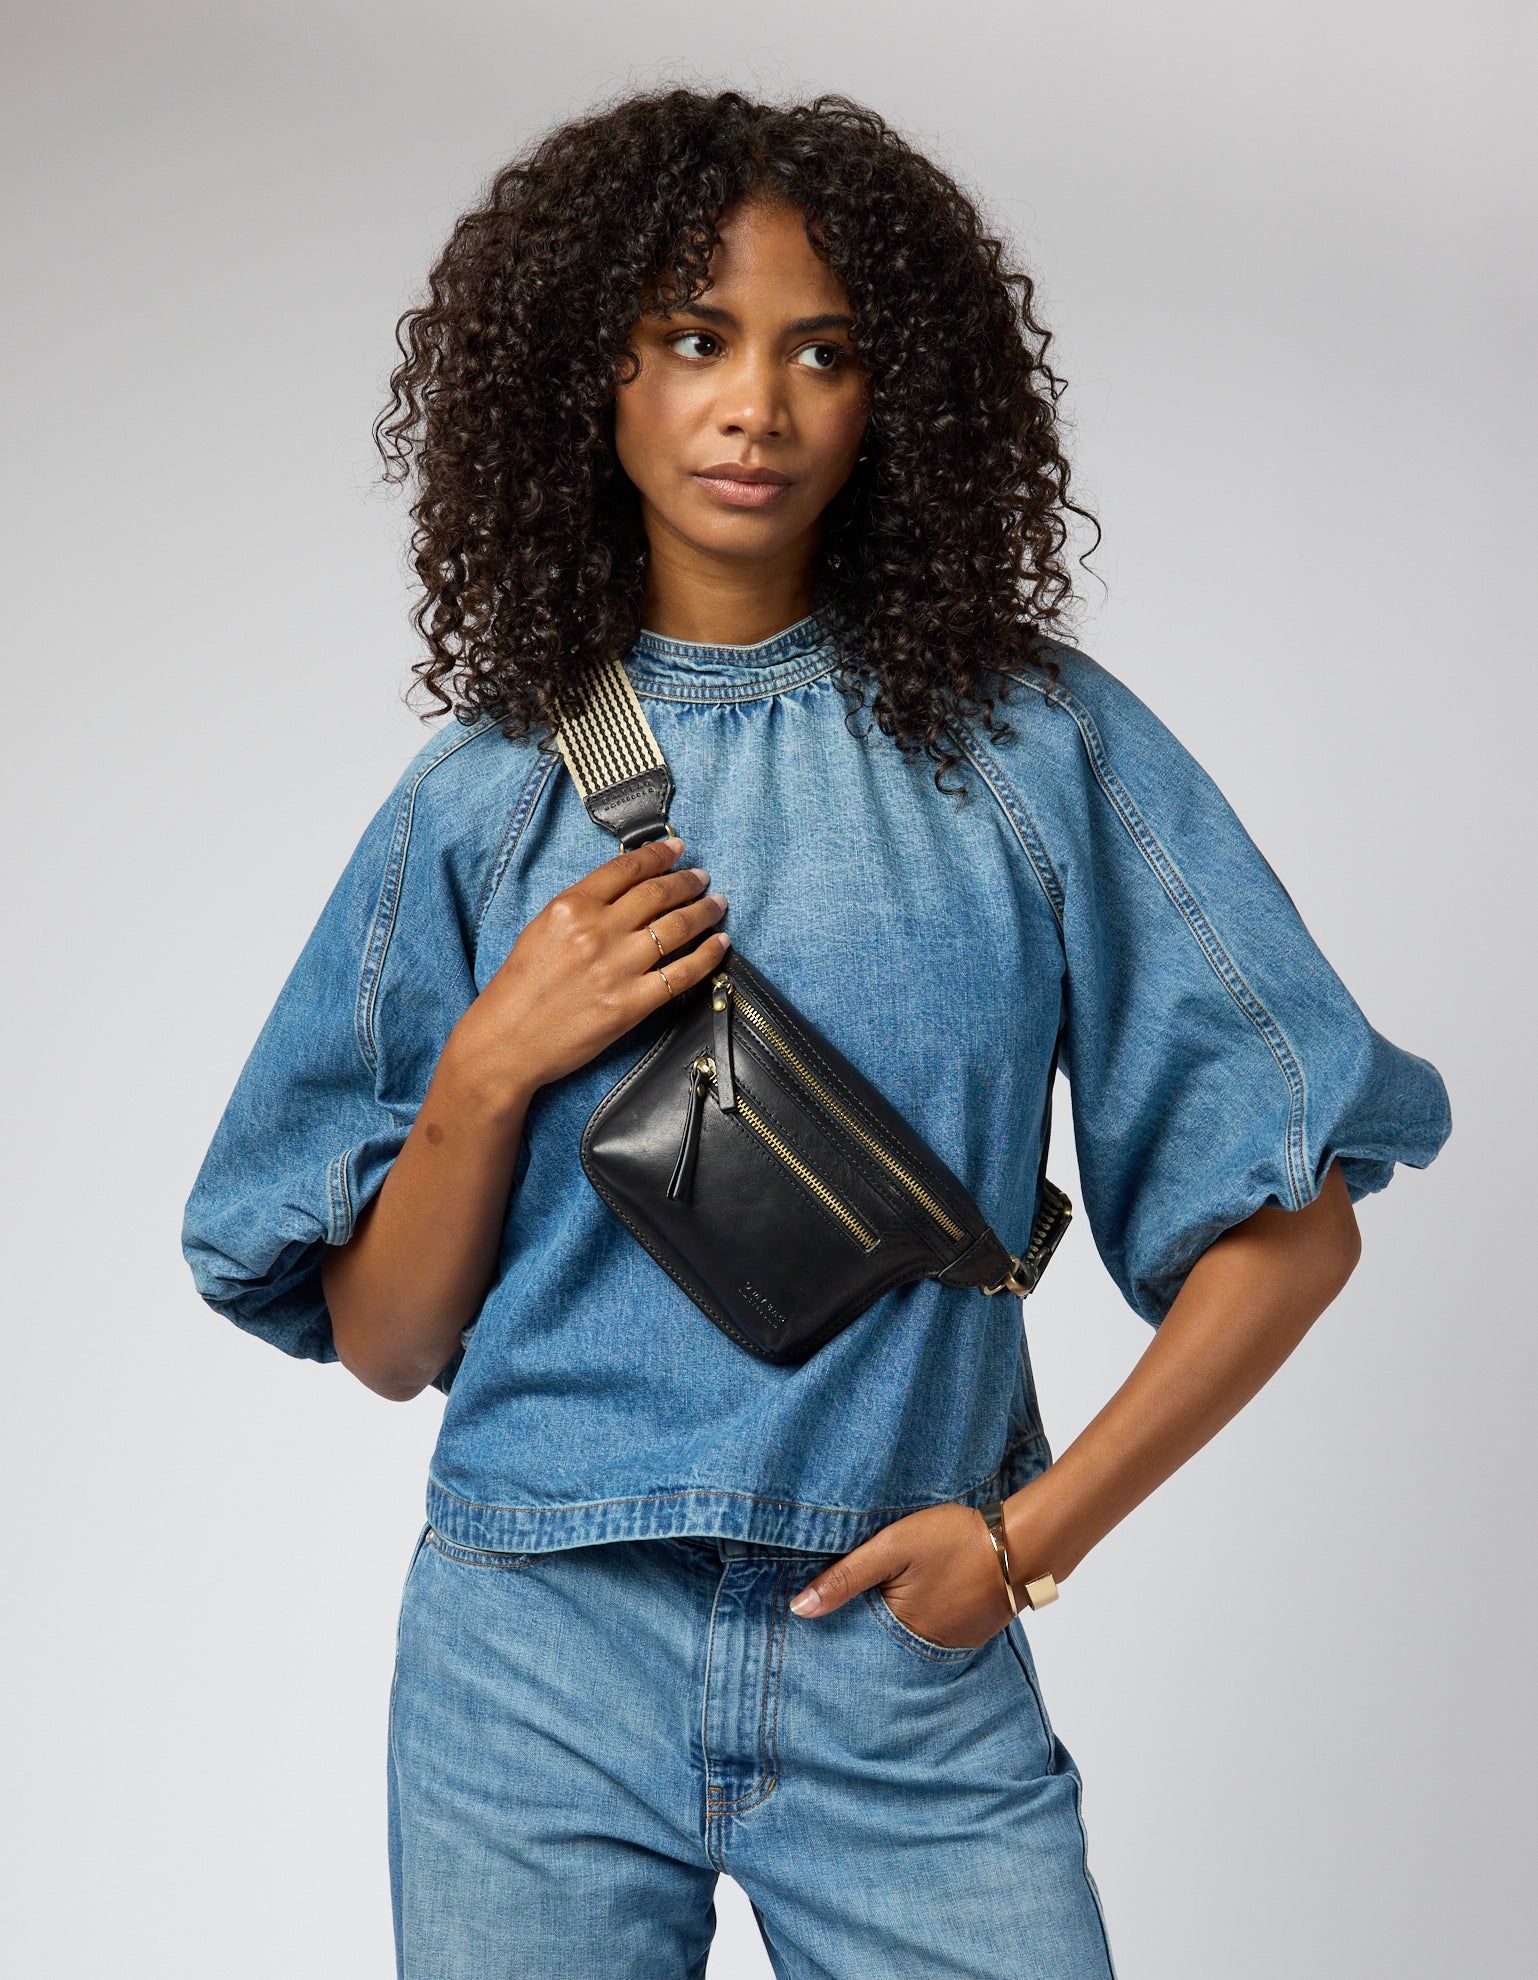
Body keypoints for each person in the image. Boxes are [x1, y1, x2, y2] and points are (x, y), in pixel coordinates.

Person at [182, 87, 1450, 1980]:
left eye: (821, 352)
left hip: (899, 1655)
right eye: (694, 339)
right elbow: (385, 1347)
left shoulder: (1032, 750)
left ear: (895, 399)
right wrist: (487, 1062)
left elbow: (1294, 1225)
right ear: (593, 378)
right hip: (529, 1650)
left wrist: (1023, 1545)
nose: (754, 407)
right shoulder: (484, 796)